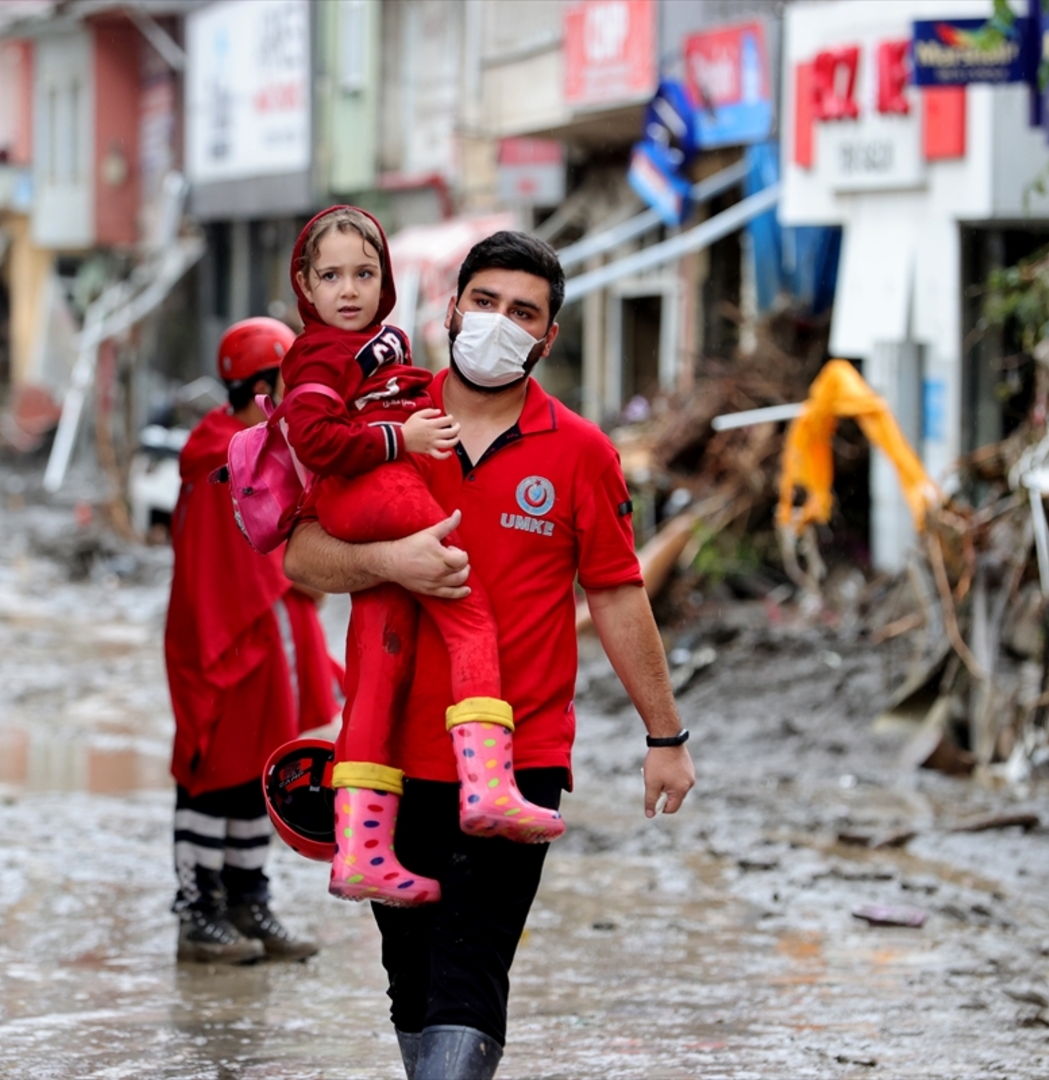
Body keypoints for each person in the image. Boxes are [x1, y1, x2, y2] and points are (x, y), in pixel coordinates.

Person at [283, 232, 697, 1078]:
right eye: (486, 301)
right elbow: (300, 555)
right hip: (385, 760)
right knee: (410, 977)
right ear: (451, 307)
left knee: (471, 966)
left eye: (524, 313)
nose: (499, 323)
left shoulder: (581, 451)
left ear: (547, 339)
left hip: (518, 761)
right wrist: (385, 563)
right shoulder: (382, 421)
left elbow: (617, 593)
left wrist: (665, 737)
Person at [279, 207, 563, 909]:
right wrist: (397, 442)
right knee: (466, 607)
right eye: (332, 275)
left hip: (369, 492)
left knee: (376, 665)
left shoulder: (378, 343)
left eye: (365, 274)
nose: (350, 289)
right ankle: (491, 787)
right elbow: (314, 439)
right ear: (305, 287)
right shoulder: (320, 353)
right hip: (371, 486)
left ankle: (361, 848)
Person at [164, 316, 342, 964]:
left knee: (252, 771)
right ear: (266, 382)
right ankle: (198, 911)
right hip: (230, 635)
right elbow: (244, 563)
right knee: (212, 768)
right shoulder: (224, 454)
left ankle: (247, 900)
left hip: (262, 634)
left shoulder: (251, 444)